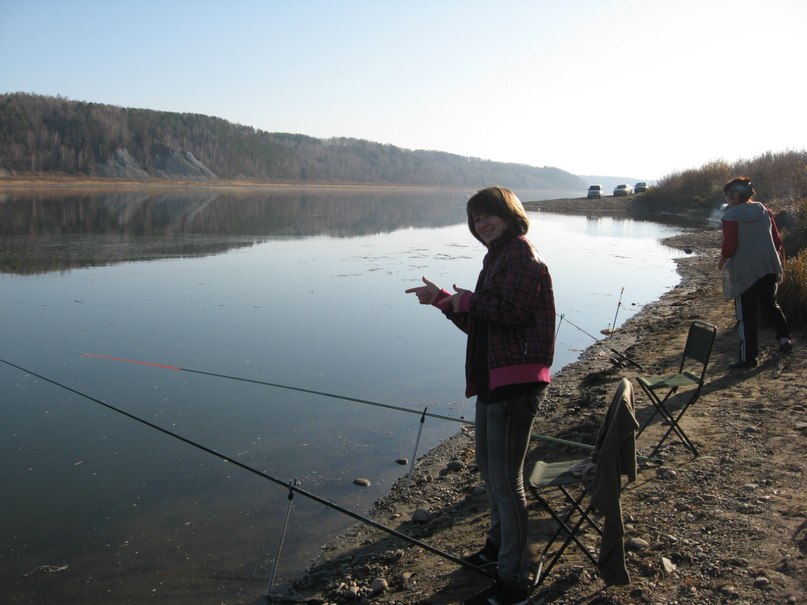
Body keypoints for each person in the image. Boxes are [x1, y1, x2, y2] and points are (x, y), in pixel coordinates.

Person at [405, 187, 555, 605]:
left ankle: (514, 579)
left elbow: (511, 312)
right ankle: (495, 549)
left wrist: (466, 299)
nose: (481, 224)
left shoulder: (522, 255)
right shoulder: (498, 257)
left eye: (488, 215)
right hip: (494, 380)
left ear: (509, 214)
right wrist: (444, 303)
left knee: (507, 483)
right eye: (475, 218)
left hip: (518, 384)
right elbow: (485, 326)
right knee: (491, 475)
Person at [719, 177, 792, 369]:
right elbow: (777, 240)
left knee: (746, 316)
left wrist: (723, 258)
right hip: (768, 266)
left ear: (735, 195)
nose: (726, 200)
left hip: (746, 270)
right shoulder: (764, 210)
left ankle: (748, 358)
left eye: (727, 196)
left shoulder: (731, 216)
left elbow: (730, 246)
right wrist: (780, 261)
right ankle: (785, 340)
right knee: (771, 304)